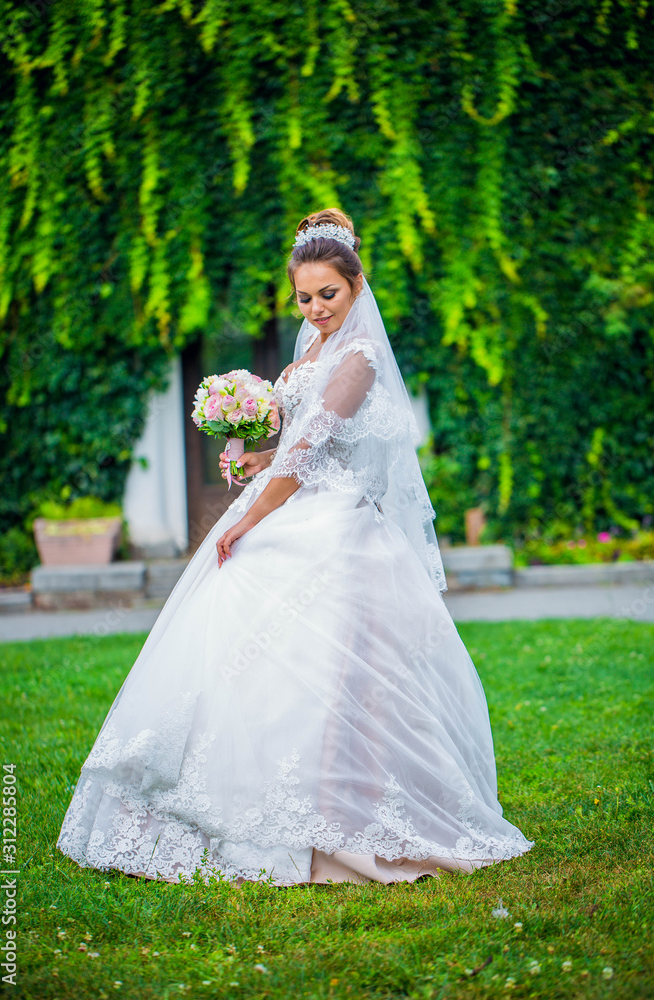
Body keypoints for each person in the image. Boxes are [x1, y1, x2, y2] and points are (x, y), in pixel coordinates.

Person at [56, 208, 534, 886]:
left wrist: (243, 522)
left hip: (335, 530)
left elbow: (310, 451)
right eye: (303, 297)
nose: (315, 307)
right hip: (296, 504)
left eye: (328, 294)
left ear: (356, 283)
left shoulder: (359, 358)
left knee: (330, 675)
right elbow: (293, 445)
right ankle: (235, 795)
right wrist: (253, 464)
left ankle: (333, 811)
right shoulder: (307, 350)